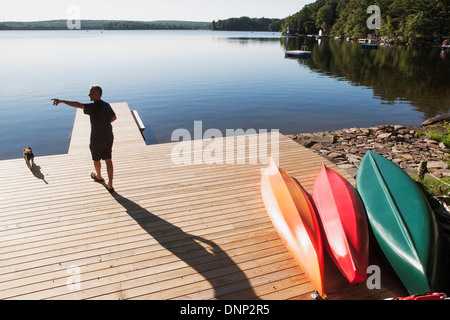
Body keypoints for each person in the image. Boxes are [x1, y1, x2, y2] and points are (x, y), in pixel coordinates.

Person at [52, 85, 117, 192]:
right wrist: (104, 123)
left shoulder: (93, 107)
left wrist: (62, 101)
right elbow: (114, 118)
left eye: (91, 92)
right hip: (108, 136)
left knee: (96, 158)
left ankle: (99, 176)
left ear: (97, 94)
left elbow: (78, 105)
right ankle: (110, 184)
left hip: (97, 138)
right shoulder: (106, 105)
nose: (88, 94)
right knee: (108, 159)